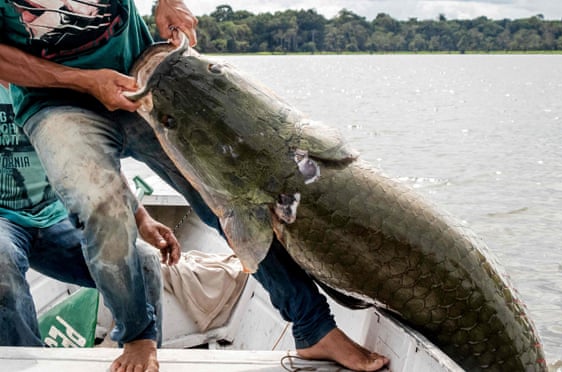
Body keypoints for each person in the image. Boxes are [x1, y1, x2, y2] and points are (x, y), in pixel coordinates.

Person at [0, 1, 389, 371]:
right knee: (100, 206)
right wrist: (83, 81)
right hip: (53, 101)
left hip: (141, 75)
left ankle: (313, 328)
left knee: (227, 198)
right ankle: (137, 336)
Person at [0, 80, 181, 369]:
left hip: (58, 216)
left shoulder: (49, 86)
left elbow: (95, 164)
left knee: (144, 260)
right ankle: (24, 363)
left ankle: (141, 358)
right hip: (4, 223)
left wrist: (143, 219)